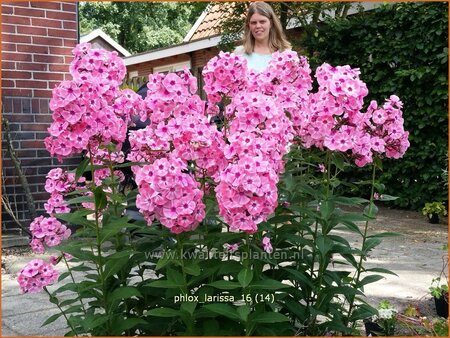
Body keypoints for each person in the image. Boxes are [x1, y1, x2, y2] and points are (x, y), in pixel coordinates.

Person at [234, 1, 291, 72]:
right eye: (253, 23)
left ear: (271, 23)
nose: (258, 26)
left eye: (262, 22)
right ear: (249, 25)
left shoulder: (285, 54)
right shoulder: (239, 53)